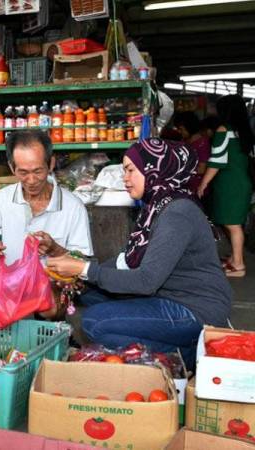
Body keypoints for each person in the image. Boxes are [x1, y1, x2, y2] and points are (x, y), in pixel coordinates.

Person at [46, 138, 232, 369]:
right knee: (88, 294)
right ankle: (168, 348)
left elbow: (146, 281)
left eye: (131, 170)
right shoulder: (157, 206)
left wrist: (85, 269)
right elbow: (127, 260)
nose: (125, 177)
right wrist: (80, 276)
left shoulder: (177, 213)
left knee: (95, 321)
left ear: (155, 168)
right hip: (167, 294)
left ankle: (189, 355)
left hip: (196, 309)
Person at [0, 129, 93, 318]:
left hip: (51, 280)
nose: (32, 180)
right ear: (12, 167)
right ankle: (0, 333)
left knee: (50, 301)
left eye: (38, 171)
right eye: (23, 172)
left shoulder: (73, 206)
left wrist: (54, 249)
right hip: (12, 276)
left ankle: (50, 334)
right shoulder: (1, 199)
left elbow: (84, 262)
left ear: (50, 163)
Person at [197, 95, 254, 277]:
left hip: (230, 184)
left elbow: (217, 161)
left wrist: (203, 183)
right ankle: (235, 259)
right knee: (233, 223)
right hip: (242, 182)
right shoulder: (245, 132)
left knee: (233, 224)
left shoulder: (224, 130)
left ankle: (238, 266)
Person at [173, 111, 211, 194]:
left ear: (189, 127)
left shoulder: (202, 143)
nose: (179, 131)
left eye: (181, 129)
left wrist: (180, 170)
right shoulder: (185, 140)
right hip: (186, 187)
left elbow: (201, 169)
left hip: (198, 188)